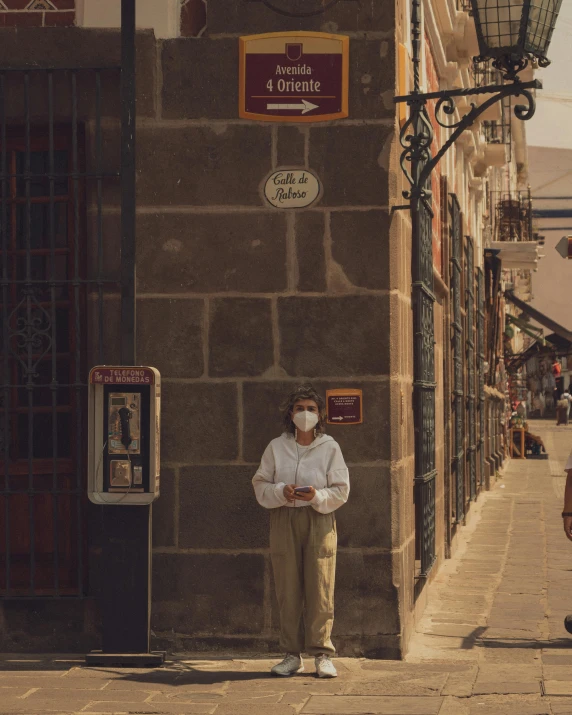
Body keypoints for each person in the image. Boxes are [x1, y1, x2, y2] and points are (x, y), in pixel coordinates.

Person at [252, 385, 349, 679]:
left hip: (319, 519)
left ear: (319, 415)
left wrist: (316, 496)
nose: (305, 414)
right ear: (290, 414)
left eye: (311, 409)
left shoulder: (330, 447)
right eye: (299, 408)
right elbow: (260, 484)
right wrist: (283, 491)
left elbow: (341, 490)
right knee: (287, 585)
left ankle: (322, 654)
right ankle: (291, 655)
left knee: (320, 584)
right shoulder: (276, 447)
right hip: (285, 518)